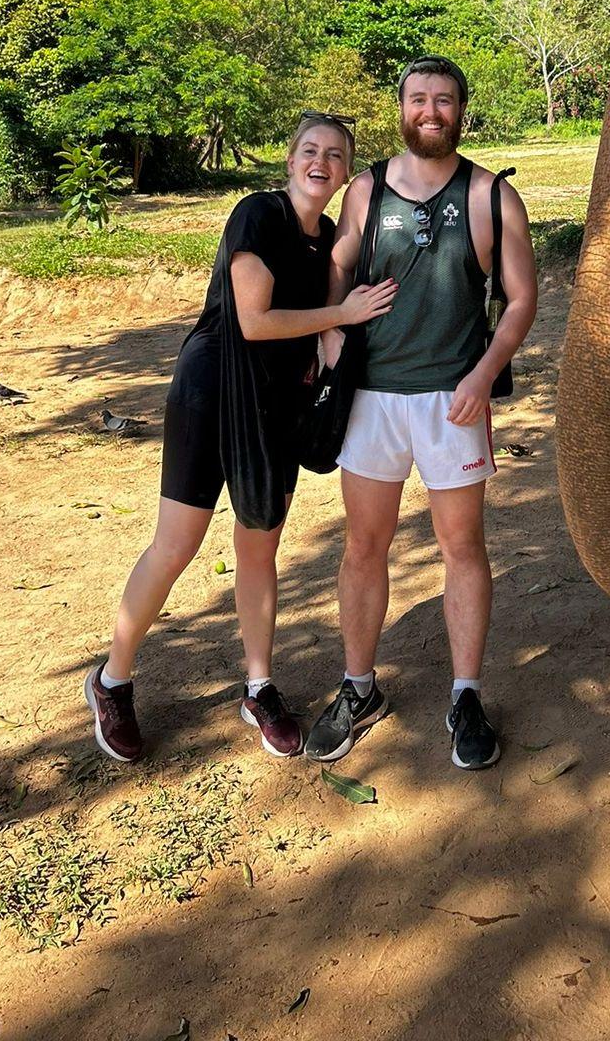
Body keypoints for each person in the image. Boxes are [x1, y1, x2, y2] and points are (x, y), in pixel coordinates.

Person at [84, 114, 398, 763]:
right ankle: (112, 679)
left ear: (345, 172)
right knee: (176, 545)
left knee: (260, 547)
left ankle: (259, 686)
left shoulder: (333, 242)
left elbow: (340, 322)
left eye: (335, 155)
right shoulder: (257, 214)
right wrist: (340, 315)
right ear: (290, 161)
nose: (322, 161)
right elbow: (253, 321)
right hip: (213, 391)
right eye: (310, 150)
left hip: (273, 410)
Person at [304, 56, 538, 770]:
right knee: (363, 546)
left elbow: (521, 299)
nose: (430, 111)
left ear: (460, 110)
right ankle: (358, 686)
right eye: (417, 99)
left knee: (461, 547)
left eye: (444, 100)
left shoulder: (492, 195)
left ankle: (466, 693)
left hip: (451, 398)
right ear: (399, 108)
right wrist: (329, 323)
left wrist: (485, 372)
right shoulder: (368, 190)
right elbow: (339, 265)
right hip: (372, 397)